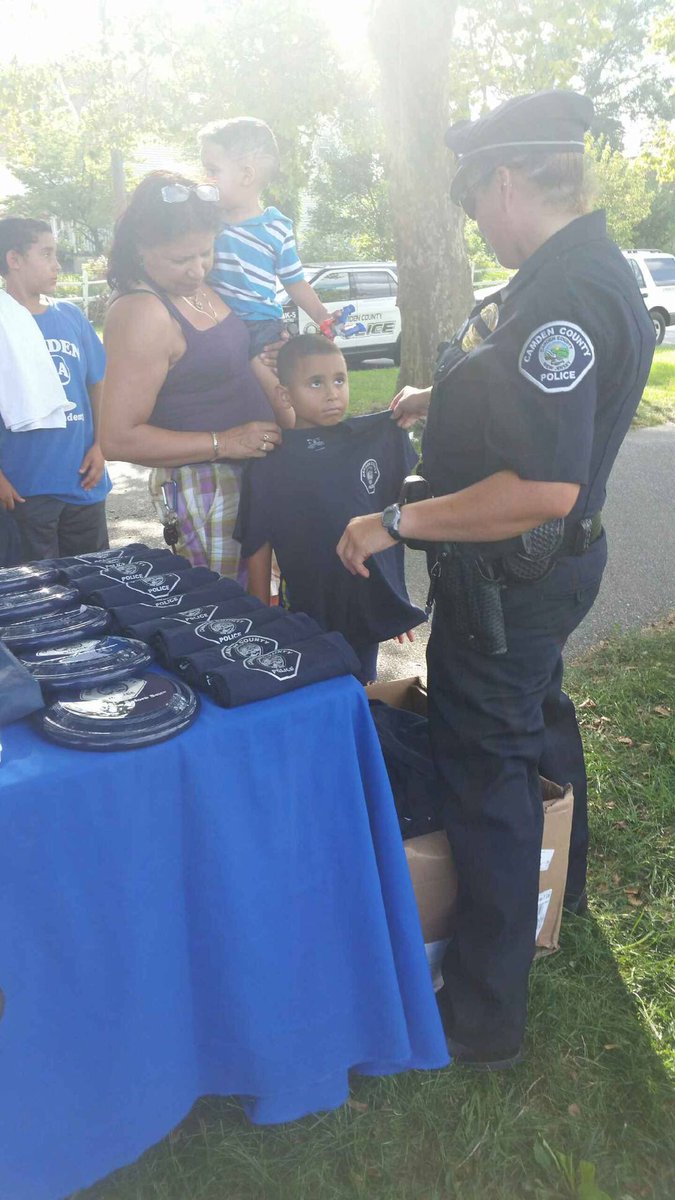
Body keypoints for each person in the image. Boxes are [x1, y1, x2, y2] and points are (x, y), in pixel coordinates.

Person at [337, 90, 656, 1067]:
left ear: (507, 181)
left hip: (510, 582)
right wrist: (444, 395)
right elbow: (536, 396)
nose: (476, 221)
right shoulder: (581, 269)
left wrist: (394, 521)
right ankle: (562, 889)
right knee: (537, 721)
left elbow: (541, 487)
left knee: (486, 773)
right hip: (542, 578)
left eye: (474, 201)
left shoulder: (563, 297)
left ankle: (482, 1016)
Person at [101, 171, 282, 579]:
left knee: (272, 607)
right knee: (230, 610)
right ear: (140, 249)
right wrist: (225, 442)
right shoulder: (141, 311)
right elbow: (117, 437)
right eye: (181, 259)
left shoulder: (200, 286)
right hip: (207, 486)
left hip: (254, 474)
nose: (197, 270)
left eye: (206, 252)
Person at [237, 334, 424, 681]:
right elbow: (257, 544)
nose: (332, 393)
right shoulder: (270, 464)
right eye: (316, 383)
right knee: (312, 689)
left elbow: (389, 517)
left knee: (359, 687)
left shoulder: (374, 441)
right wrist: (262, 622)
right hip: (306, 612)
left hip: (363, 611)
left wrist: (393, 601)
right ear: (285, 395)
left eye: (339, 380)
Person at [199, 117, 334, 421]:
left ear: (246, 174)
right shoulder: (206, 222)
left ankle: (293, 438)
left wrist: (323, 316)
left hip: (260, 325)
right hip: (218, 320)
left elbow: (295, 282)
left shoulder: (276, 228)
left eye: (213, 170)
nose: (205, 179)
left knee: (277, 398)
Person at [0, 217, 110, 561]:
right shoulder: (3, 323)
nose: (57, 264)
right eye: (46, 254)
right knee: (36, 588)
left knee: (94, 580)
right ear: (14, 259)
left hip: (83, 480)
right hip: (25, 489)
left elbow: (98, 382)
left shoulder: (71, 316)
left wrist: (101, 445)